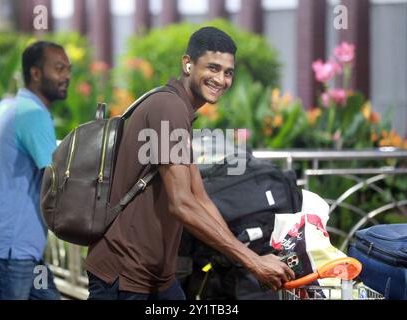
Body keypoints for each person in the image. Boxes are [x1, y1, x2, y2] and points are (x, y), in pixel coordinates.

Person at [85, 26, 294, 300]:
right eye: (213, 68)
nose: (221, 79)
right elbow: (181, 203)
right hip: (123, 277)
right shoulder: (168, 109)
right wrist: (252, 262)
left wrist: (244, 252)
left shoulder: (178, 110)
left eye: (228, 72)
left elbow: (199, 197)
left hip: (156, 277)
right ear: (187, 64)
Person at [0, 41, 71, 300]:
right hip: (7, 254)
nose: (67, 76)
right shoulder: (31, 114)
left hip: (19, 252)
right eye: (59, 68)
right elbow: (57, 177)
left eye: (68, 68)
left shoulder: (17, 107)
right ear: (35, 73)